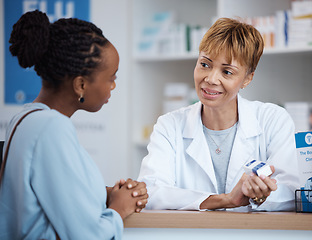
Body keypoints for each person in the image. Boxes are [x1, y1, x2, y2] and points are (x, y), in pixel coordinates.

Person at [0, 10, 148, 240]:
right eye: (111, 78)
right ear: (80, 84)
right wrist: (119, 209)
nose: (113, 86)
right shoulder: (51, 128)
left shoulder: (25, 119)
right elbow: (86, 235)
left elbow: (49, 199)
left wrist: (105, 194)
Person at [137, 17, 300, 212]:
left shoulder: (272, 120)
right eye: (205, 64)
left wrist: (260, 194)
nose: (211, 79)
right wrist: (225, 200)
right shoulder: (169, 126)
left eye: (227, 72)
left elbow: (293, 191)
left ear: (247, 78)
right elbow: (151, 193)